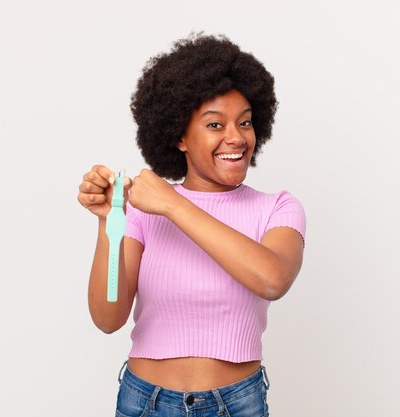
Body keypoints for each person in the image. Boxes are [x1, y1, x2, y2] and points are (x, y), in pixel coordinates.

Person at [77, 33, 306, 417]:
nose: (236, 137)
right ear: (180, 136)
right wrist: (110, 224)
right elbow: (107, 318)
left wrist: (173, 204)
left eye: (245, 122)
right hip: (143, 402)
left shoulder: (278, 208)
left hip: (236, 404)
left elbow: (273, 278)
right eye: (215, 125)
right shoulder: (144, 208)